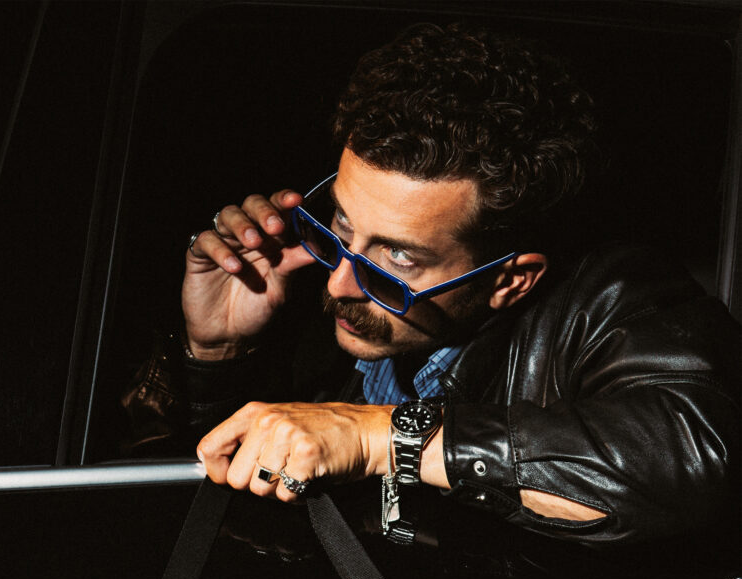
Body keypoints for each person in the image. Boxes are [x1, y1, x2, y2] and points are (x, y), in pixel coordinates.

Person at [123, 22, 738, 544]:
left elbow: (695, 459)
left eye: (398, 258)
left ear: (510, 282)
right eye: (340, 224)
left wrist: (383, 437)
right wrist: (220, 354)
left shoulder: (612, 298)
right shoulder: (319, 306)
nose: (339, 284)